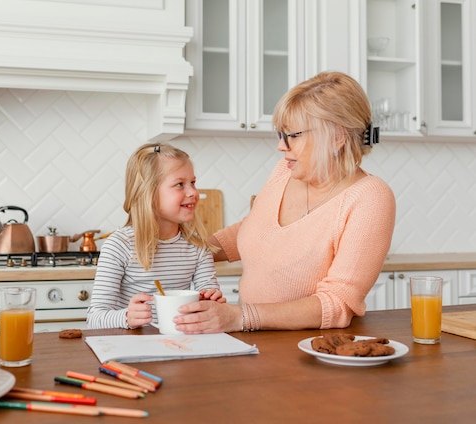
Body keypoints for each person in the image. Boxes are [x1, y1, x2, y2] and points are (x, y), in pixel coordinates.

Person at [173, 71, 396, 333]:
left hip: (310, 353)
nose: (281, 146)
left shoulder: (370, 197)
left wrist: (238, 317)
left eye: (293, 135)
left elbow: (338, 304)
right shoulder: (285, 170)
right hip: (254, 341)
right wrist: (179, 250)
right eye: (281, 134)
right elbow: (254, 229)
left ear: (337, 137)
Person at [86, 142, 225, 329]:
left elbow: (209, 307)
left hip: (180, 346)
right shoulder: (119, 246)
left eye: (193, 182)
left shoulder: (197, 247)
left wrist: (211, 304)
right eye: (179, 184)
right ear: (148, 193)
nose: (193, 192)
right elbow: (95, 318)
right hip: (131, 349)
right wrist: (127, 317)